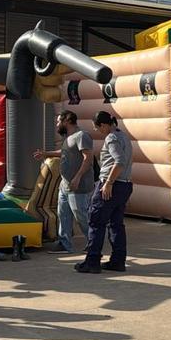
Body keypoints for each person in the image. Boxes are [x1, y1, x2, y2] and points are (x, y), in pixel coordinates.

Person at [77, 111, 133, 274]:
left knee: (96, 222)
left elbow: (119, 161)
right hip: (124, 185)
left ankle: (92, 261)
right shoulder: (124, 136)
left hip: (111, 185)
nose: (97, 131)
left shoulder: (111, 138)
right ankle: (117, 261)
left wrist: (108, 183)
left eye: (97, 127)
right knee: (116, 224)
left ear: (104, 125)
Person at [34, 111, 94, 255]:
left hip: (78, 185)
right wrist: (45, 153)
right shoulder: (69, 138)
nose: (56, 124)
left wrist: (78, 177)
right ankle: (64, 244)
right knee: (63, 214)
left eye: (58, 121)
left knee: (81, 215)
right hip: (65, 184)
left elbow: (88, 158)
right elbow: (64, 152)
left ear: (67, 120)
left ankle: (93, 242)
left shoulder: (82, 136)